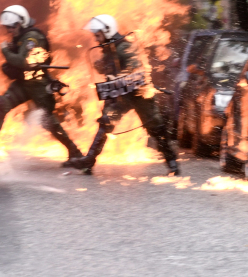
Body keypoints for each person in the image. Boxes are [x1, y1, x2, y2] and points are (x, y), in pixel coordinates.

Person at [68, 15, 179, 176]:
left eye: (98, 35)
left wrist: (119, 76)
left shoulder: (124, 46)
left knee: (155, 128)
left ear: (107, 31)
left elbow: (135, 69)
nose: (96, 38)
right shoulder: (110, 47)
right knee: (106, 124)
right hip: (120, 96)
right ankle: (89, 161)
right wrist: (103, 67)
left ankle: (172, 163)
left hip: (138, 94)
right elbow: (111, 68)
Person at [0, 5, 82, 164]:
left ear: (20, 23)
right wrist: (13, 49)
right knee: (2, 103)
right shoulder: (23, 38)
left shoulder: (32, 39)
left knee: (47, 120)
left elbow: (24, 61)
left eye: (11, 27)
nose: (9, 31)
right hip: (24, 83)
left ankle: (74, 151)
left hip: (38, 84)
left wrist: (6, 51)